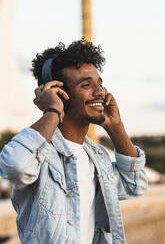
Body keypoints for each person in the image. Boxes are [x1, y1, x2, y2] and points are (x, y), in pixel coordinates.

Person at [0, 39, 147, 244]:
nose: (100, 92)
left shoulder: (98, 158)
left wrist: (116, 127)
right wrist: (52, 110)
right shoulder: (40, 154)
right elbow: (15, 166)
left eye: (100, 83)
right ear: (61, 94)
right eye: (86, 85)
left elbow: (135, 185)